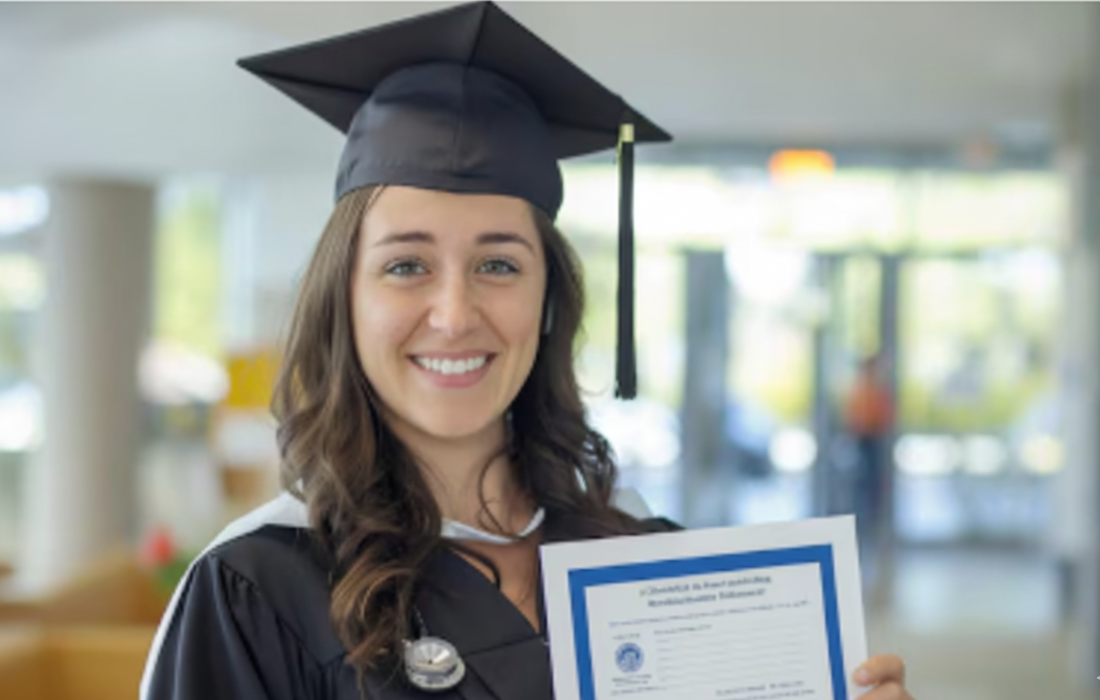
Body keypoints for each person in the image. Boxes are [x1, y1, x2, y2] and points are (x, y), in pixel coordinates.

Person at [140, 3, 914, 699]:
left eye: (499, 265)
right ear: (343, 296)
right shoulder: (257, 589)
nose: (454, 315)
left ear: (549, 301)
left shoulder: (652, 569)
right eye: (406, 265)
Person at [842, 352, 895, 546]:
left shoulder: (875, 388)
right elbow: (854, 415)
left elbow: (884, 415)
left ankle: (872, 519)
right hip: (863, 438)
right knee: (863, 482)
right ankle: (863, 519)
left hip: (874, 438)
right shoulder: (861, 388)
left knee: (873, 481)